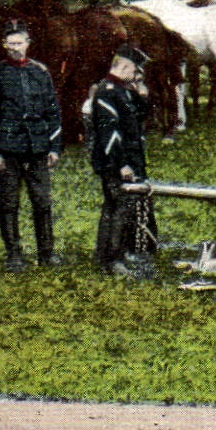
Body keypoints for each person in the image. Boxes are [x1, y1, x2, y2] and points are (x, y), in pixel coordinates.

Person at [0, 20, 63, 273]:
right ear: (4, 45)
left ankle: (46, 252)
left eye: (20, 43)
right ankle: (14, 254)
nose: (16, 48)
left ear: (28, 43)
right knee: (9, 203)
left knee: (42, 202)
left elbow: (53, 112)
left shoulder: (40, 72)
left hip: (37, 148)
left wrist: (54, 147)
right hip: (9, 148)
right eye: (11, 43)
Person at [90, 43, 155, 278]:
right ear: (125, 66)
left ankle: (107, 254)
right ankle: (114, 259)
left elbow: (139, 116)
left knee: (117, 207)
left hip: (129, 158)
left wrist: (141, 92)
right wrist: (122, 164)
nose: (137, 76)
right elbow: (110, 133)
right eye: (135, 71)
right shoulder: (108, 91)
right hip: (115, 161)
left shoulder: (123, 90)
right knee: (119, 209)